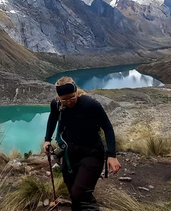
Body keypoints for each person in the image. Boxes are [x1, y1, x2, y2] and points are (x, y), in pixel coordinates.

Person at [43, 76, 121, 210]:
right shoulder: (56, 104)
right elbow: (52, 120)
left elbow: (107, 127)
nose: (68, 102)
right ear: (59, 97)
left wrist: (112, 155)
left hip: (92, 153)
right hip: (70, 154)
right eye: (64, 99)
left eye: (72, 97)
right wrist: (47, 140)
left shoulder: (90, 104)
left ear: (76, 92)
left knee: (79, 193)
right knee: (74, 192)